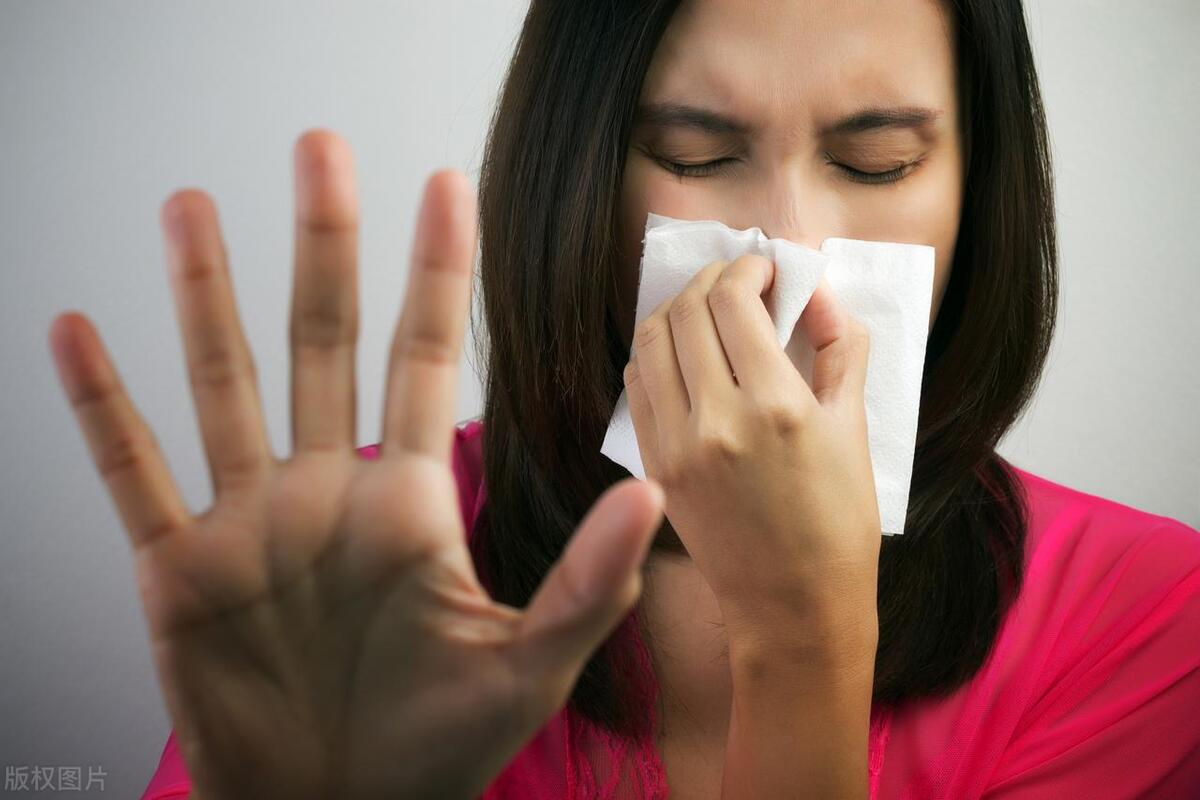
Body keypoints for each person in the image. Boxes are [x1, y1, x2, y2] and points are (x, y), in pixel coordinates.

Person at [46, 0, 1199, 798]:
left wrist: (802, 640)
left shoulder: (1146, 615)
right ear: (582, 178)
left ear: (978, 188)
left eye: (879, 161)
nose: (789, 249)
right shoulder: (366, 556)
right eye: (695, 158)